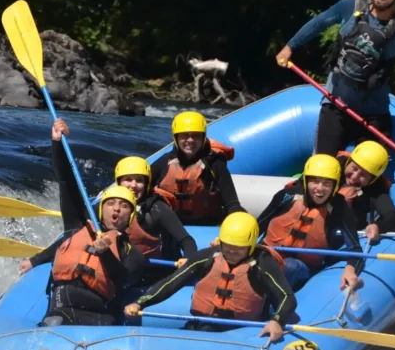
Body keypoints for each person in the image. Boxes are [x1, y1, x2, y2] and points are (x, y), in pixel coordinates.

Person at [275, 0, 395, 156]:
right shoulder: (349, 7)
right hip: (336, 104)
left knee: (367, 174)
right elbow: (319, 23)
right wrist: (290, 46)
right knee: (324, 166)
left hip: (375, 112)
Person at [19, 119, 146, 326]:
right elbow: (66, 182)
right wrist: (58, 143)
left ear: (130, 215)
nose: (116, 209)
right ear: (101, 208)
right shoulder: (77, 227)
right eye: (111, 203)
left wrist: (105, 253)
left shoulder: (132, 254)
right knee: (54, 322)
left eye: (123, 206)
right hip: (62, 312)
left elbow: (123, 279)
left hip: (100, 319)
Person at [124, 212, 294, 345]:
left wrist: (277, 320)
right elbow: (172, 282)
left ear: (250, 247)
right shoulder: (208, 257)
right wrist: (141, 302)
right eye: (228, 246)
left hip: (244, 331)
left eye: (239, 248)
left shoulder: (263, 264)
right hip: (205, 324)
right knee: (204, 330)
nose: (232, 252)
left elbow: (286, 296)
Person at [258, 154, 363, 292]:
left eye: (327, 183)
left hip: (302, 267)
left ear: (335, 185)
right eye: (314, 181)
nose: (319, 188)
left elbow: (355, 249)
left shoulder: (340, 207)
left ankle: (272, 307)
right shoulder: (287, 195)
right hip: (269, 255)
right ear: (306, 181)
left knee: (290, 266)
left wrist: (350, 269)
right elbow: (257, 227)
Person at [151, 110, 243, 225]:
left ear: (203, 138)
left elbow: (232, 203)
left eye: (196, 136)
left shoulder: (215, 163)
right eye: (184, 135)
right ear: (176, 138)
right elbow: (141, 188)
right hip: (171, 225)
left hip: (208, 225)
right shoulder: (164, 162)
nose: (190, 140)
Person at [113, 155, 198, 264]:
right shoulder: (109, 205)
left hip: (156, 268)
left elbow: (187, 241)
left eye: (139, 180)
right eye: (128, 180)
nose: (133, 185)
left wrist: (188, 260)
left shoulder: (157, 208)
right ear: (119, 182)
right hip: (125, 266)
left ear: (146, 184)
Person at [337, 141, 395, 244]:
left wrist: (377, 226)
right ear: (349, 161)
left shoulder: (376, 189)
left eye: (363, 175)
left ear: (372, 179)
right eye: (354, 168)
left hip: (347, 229)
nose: (354, 177)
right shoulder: (335, 164)